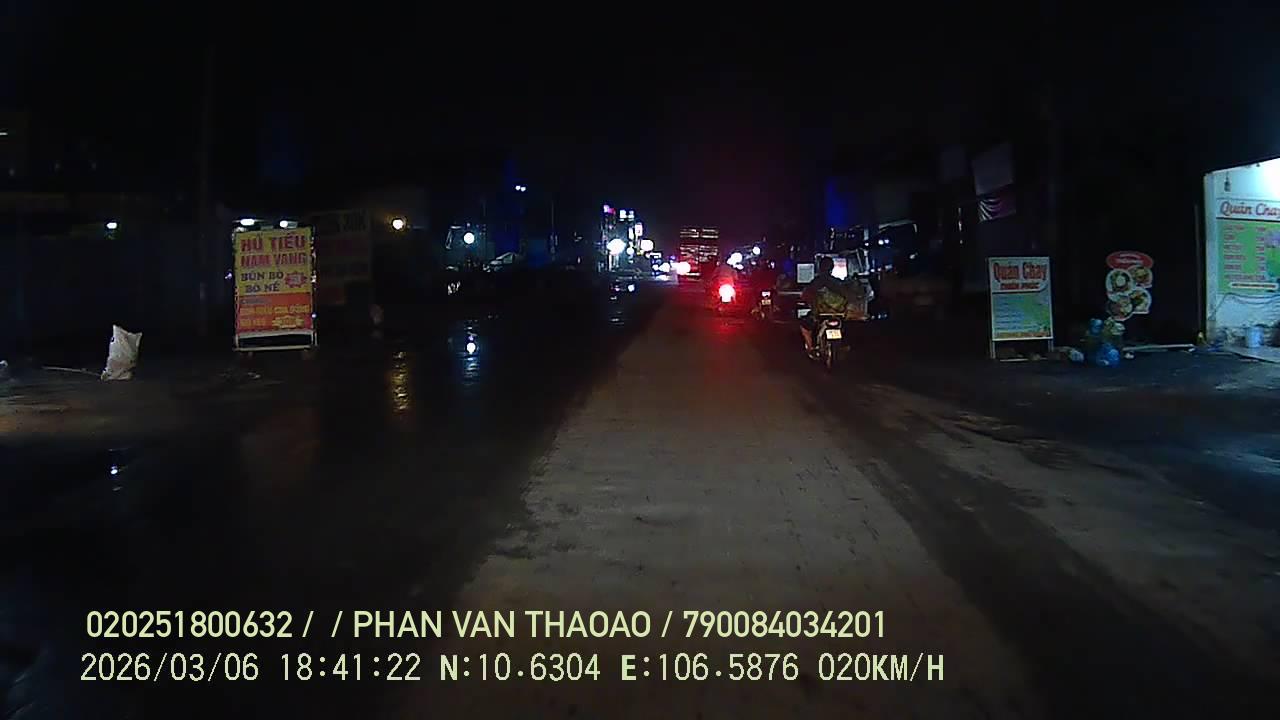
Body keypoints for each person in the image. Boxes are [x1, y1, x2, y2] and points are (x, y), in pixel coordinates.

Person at [800, 256, 854, 354]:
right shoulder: (837, 282)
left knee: (805, 327)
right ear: (832, 268)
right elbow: (848, 295)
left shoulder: (815, 282)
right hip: (838, 314)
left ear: (819, 268)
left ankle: (811, 348)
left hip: (819, 315)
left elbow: (805, 295)